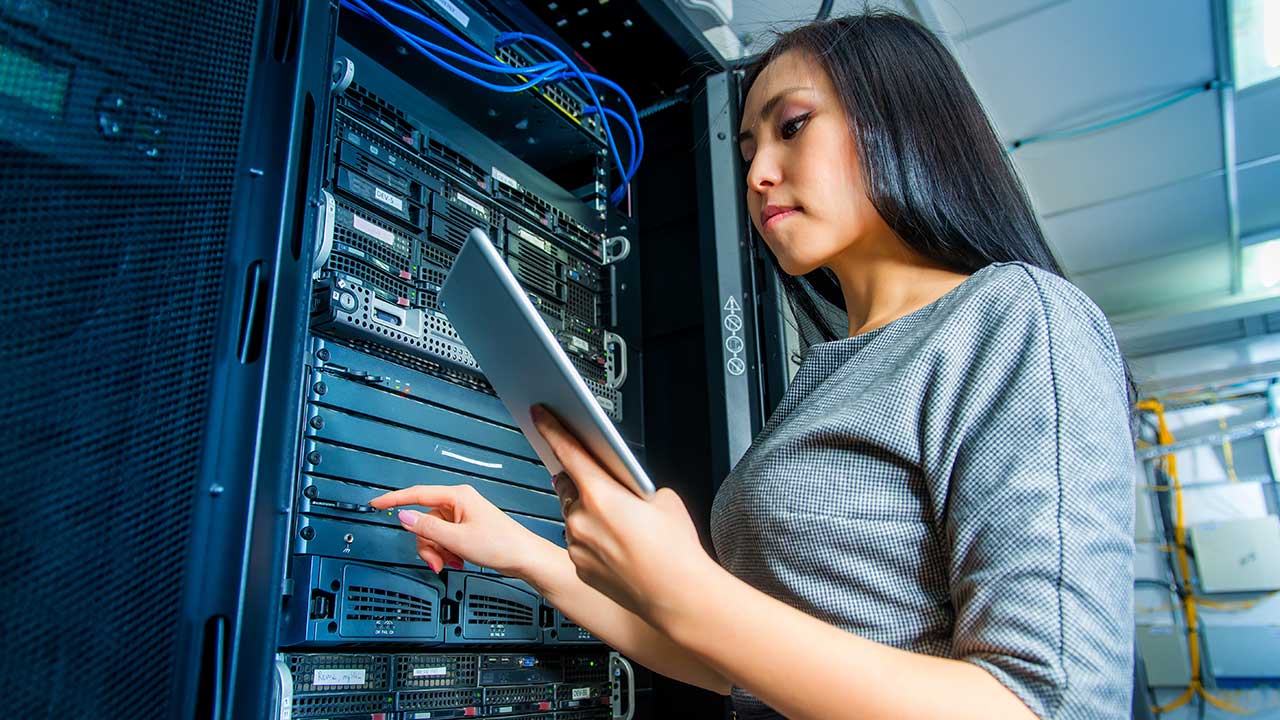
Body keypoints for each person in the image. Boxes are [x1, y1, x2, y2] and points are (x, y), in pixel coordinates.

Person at [370, 12, 1135, 719]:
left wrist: (690, 588)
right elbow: (734, 661)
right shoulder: (830, 375)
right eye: (746, 153)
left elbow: (1048, 704)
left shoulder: (1015, 317)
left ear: (902, 125)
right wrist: (524, 554)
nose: (759, 174)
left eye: (792, 127)